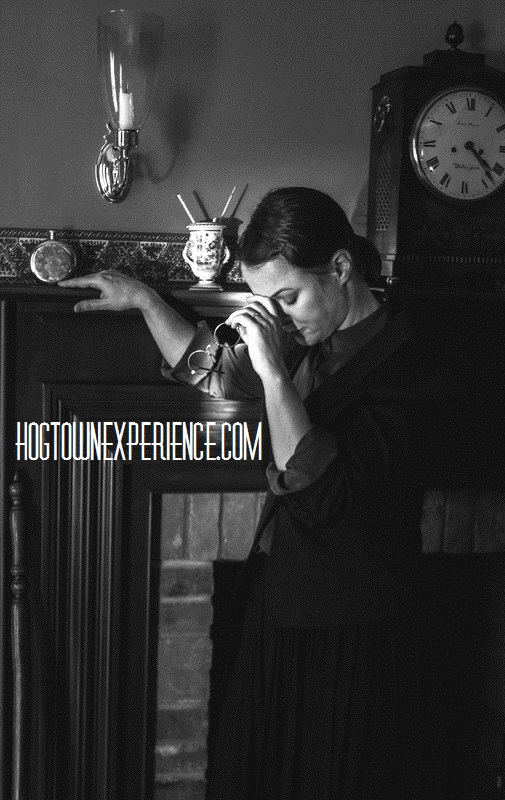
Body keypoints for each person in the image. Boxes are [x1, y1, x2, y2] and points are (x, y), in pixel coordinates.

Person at [60, 187, 445, 798]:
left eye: (288, 297)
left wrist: (270, 371)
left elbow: (314, 486)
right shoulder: (303, 338)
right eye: (269, 303)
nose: (281, 317)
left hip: (358, 632)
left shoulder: (409, 359)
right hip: (286, 602)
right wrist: (145, 300)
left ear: (341, 267)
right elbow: (210, 370)